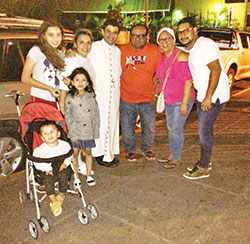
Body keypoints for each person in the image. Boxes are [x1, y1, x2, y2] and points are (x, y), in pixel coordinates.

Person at [177, 17, 230, 179]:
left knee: (203, 131)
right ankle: (205, 160)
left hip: (214, 97)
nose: (183, 35)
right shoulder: (195, 48)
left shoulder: (205, 45)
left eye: (186, 31)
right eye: (180, 33)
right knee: (206, 131)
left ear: (194, 30)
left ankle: (204, 166)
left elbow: (216, 70)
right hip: (204, 96)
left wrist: (209, 97)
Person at [155, 27, 196, 169]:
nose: (164, 42)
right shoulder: (163, 57)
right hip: (169, 100)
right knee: (171, 127)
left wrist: (184, 103)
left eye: (168, 38)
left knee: (176, 129)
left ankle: (176, 158)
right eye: (161, 39)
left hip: (181, 99)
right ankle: (172, 155)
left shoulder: (181, 56)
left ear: (173, 40)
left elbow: (188, 81)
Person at [120, 24, 162, 161]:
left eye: (142, 36)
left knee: (149, 128)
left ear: (147, 37)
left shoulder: (155, 51)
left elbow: (159, 76)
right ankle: (130, 151)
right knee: (127, 128)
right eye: (135, 35)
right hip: (127, 98)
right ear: (129, 36)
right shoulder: (122, 51)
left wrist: (156, 94)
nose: (138, 39)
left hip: (148, 99)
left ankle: (147, 149)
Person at [88, 19, 122, 167]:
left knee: (112, 123)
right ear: (102, 32)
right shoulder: (93, 47)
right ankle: (99, 154)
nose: (111, 35)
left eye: (115, 33)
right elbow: (79, 58)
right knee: (100, 124)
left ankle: (109, 153)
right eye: (108, 31)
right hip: (98, 93)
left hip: (113, 94)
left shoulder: (117, 51)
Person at [21, 20, 68, 110]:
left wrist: (62, 104)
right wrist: (49, 89)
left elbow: (62, 81)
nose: (55, 39)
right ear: (43, 35)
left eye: (58, 35)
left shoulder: (61, 54)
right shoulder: (36, 51)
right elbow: (25, 78)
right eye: (51, 35)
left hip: (56, 101)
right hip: (40, 98)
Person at [65, 67, 100, 186]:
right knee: (75, 153)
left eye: (83, 80)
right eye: (77, 80)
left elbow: (96, 114)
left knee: (88, 152)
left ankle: (89, 175)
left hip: (88, 131)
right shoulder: (70, 97)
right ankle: (76, 176)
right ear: (72, 82)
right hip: (75, 131)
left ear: (88, 82)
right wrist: (72, 133)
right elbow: (68, 116)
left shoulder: (90, 96)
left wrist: (95, 131)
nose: (80, 83)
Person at [33, 120, 72, 217]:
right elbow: (37, 162)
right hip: (48, 172)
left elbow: (69, 156)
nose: (49, 135)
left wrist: (65, 164)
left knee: (65, 177)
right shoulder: (40, 150)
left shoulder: (65, 145)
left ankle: (61, 195)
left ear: (58, 134)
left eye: (52, 132)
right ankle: (54, 201)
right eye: (45, 133)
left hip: (61, 168)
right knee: (47, 182)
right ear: (42, 138)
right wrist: (46, 169)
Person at [61, 28, 95, 114]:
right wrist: (63, 112)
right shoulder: (70, 60)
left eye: (88, 43)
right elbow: (63, 87)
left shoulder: (89, 60)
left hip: (87, 107)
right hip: (74, 108)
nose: (85, 46)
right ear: (75, 44)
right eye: (81, 42)